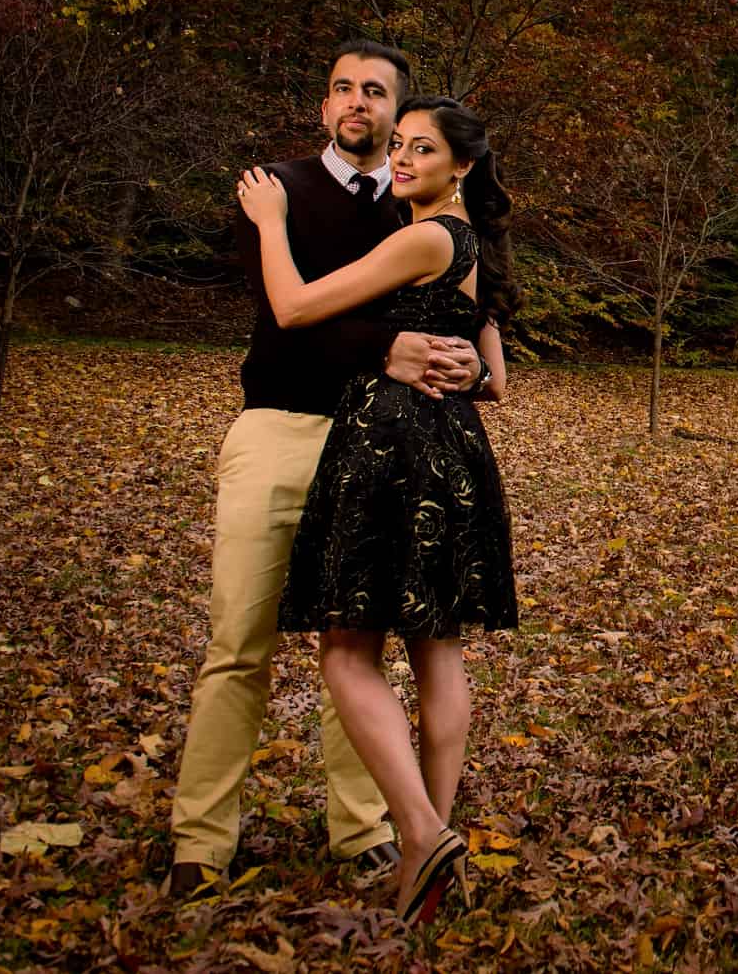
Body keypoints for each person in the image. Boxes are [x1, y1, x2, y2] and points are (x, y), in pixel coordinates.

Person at [167, 42, 485, 902]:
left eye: (375, 92)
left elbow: (470, 307)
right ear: (324, 105)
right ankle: (201, 837)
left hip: (378, 449)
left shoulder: (418, 204)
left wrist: (471, 364)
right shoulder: (275, 190)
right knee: (240, 639)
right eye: (342, 87)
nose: (357, 102)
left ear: (399, 114)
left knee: (360, 641)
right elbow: (286, 322)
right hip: (281, 426)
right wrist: (389, 347)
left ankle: (369, 828)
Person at [237, 94, 520, 925]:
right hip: (454, 446)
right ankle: (433, 862)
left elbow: (292, 308)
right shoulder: (476, 247)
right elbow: (494, 380)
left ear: (459, 166)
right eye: (399, 145)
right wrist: (458, 368)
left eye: (421, 149)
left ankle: (423, 833)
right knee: (437, 648)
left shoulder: (424, 236)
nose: (401, 158)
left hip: (392, 443)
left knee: (346, 653)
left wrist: (267, 218)